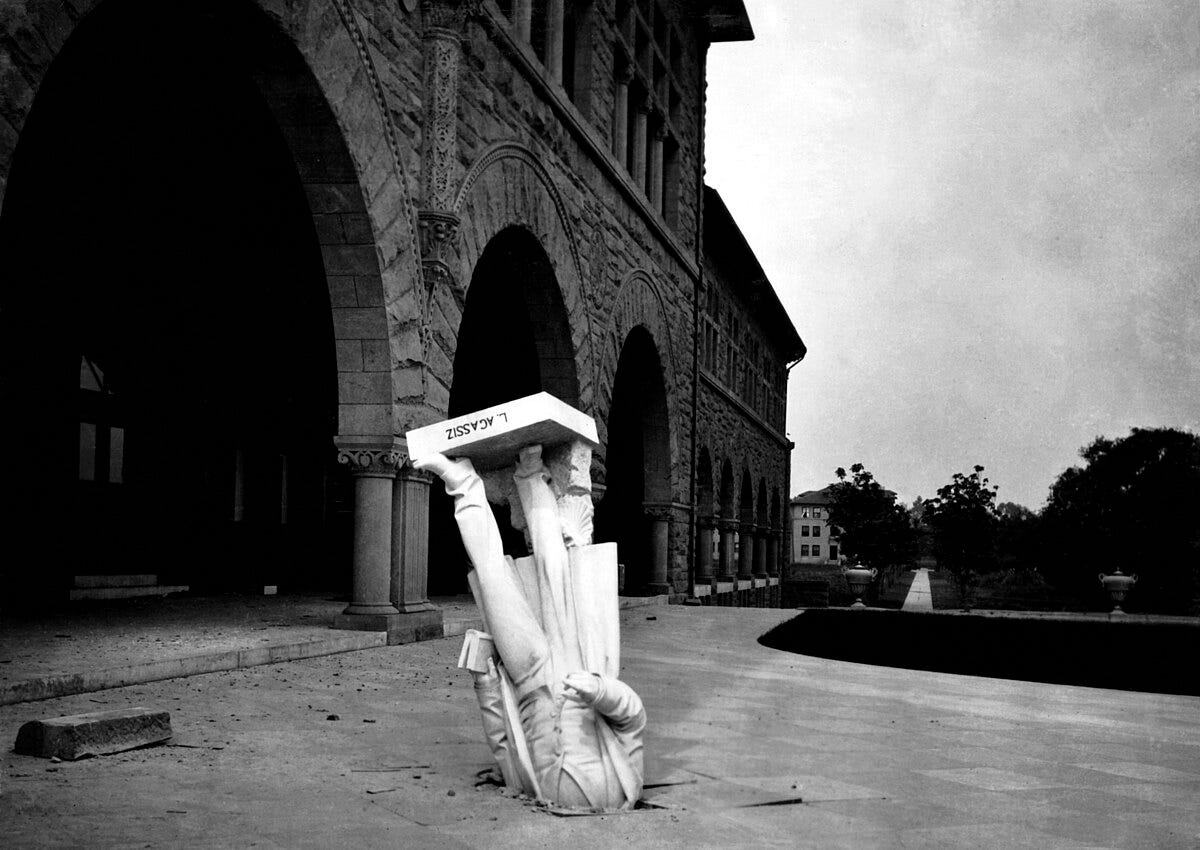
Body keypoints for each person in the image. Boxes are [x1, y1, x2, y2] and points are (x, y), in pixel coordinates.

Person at [416, 445, 645, 811]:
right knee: (553, 569)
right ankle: (531, 470)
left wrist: (486, 686)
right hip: (574, 673)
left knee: (493, 582)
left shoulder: (535, 790)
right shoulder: (621, 790)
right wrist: (601, 690)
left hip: (529, 685)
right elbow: (632, 720)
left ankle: (462, 483)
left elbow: (503, 743)